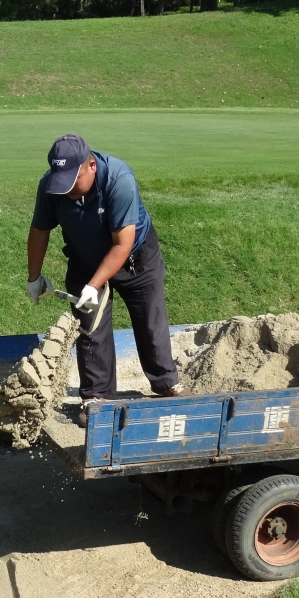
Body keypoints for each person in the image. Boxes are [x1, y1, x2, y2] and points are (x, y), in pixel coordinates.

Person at [26, 133, 184, 403]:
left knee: (150, 323)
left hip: (135, 259)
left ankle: (166, 385)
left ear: (91, 166)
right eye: (61, 182)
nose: (68, 189)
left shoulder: (119, 180)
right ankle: (97, 399)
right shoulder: (51, 187)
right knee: (90, 330)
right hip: (83, 259)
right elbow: (39, 230)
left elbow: (122, 244)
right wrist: (34, 277)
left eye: (73, 181)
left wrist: (93, 285)